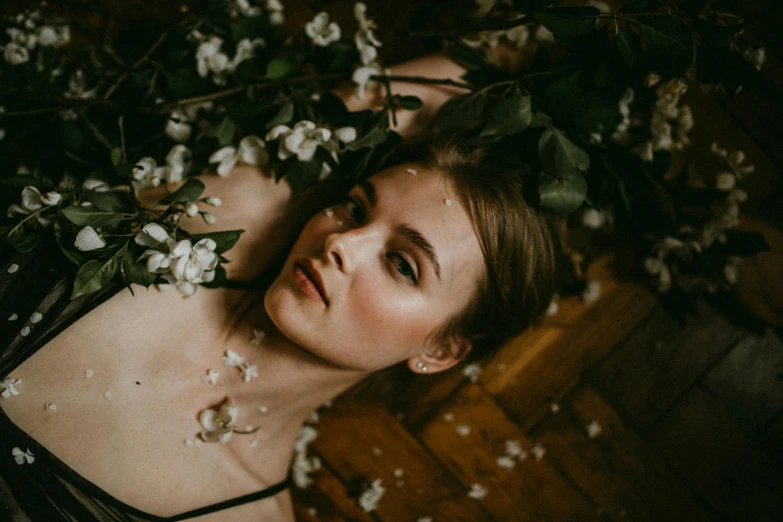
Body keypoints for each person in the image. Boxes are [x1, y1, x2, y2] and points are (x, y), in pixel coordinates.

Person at [0, 52, 558, 521]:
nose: (344, 242)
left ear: (440, 350)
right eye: (356, 208)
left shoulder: (246, 516)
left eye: (404, 264)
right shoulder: (219, 225)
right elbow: (441, 76)